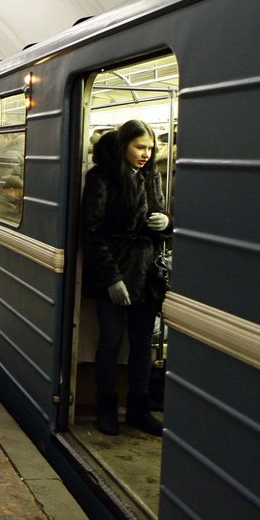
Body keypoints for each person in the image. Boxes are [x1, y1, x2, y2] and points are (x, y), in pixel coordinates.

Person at [81, 120, 171, 437]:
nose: (146, 154)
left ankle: (138, 409)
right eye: (139, 147)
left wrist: (166, 222)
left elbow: (157, 213)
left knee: (142, 345)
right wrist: (111, 278)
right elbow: (91, 233)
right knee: (111, 341)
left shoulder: (150, 177)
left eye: (149, 148)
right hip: (115, 273)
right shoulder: (101, 177)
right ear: (124, 146)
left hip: (146, 274)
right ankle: (107, 409)